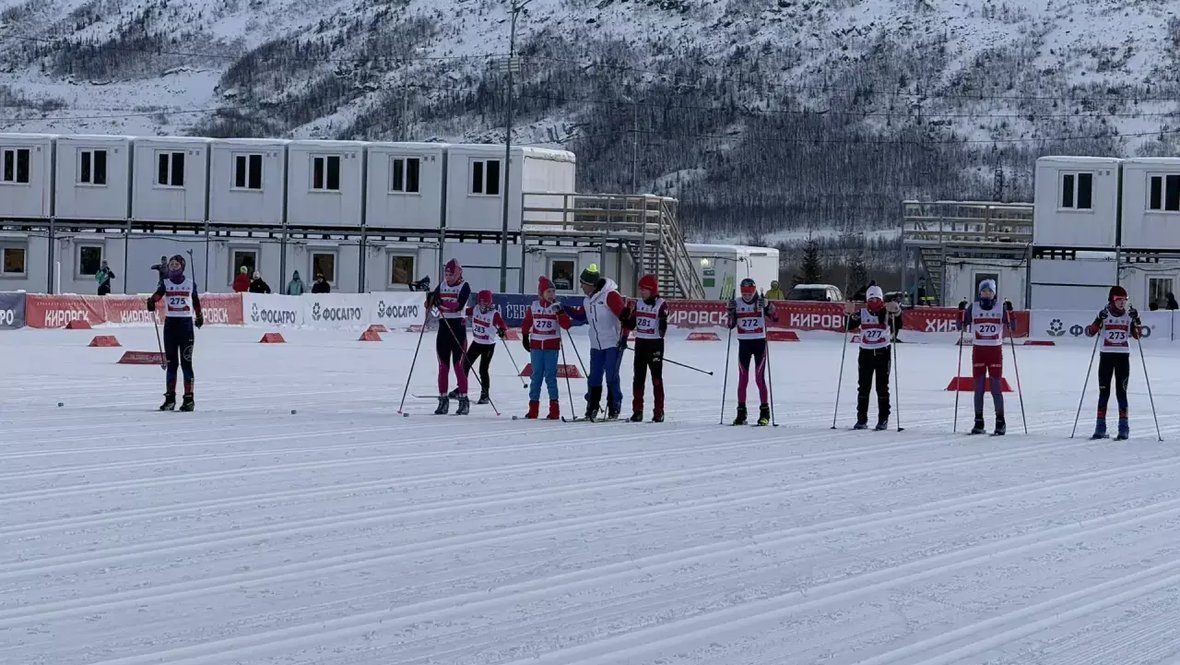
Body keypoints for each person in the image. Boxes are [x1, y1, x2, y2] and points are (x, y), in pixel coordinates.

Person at [563, 264, 629, 421]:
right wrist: (563, 308)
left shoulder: (610, 296)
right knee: (594, 377)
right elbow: (580, 316)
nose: (581, 286)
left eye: (583, 283)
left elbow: (624, 317)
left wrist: (624, 337)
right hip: (596, 345)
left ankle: (614, 407)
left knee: (611, 376)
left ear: (591, 284)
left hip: (613, 343)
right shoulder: (588, 300)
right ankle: (592, 407)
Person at [1084, 286, 1142, 440]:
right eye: (1119, 300)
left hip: (1123, 357)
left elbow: (1138, 336)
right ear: (1112, 300)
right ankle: (1100, 427)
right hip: (1106, 356)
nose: (1122, 303)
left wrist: (1137, 319)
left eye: (1125, 300)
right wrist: (1098, 319)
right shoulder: (1103, 314)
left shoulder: (1129, 316)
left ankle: (1124, 428)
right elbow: (1089, 332)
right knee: (1104, 392)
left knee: (1121, 392)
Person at [147, 255, 203, 411]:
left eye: (176, 264)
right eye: (171, 264)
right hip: (170, 325)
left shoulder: (190, 284)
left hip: (185, 326)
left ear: (182, 266)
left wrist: (199, 316)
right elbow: (157, 296)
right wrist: (151, 301)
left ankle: (189, 400)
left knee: (186, 363)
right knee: (172, 364)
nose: (173, 266)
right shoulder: (165, 283)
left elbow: (196, 301)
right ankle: (170, 398)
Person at [961, 279, 1016, 435]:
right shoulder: (974, 307)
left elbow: (1014, 327)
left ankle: (1000, 422)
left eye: (990, 291)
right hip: (978, 350)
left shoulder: (1000, 308)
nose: (987, 294)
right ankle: (978, 422)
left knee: (996, 388)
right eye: (984, 291)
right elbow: (961, 326)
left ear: (994, 293)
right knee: (978, 388)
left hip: (994, 352)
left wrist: (1010, 312)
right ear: (979, 293)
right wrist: (961, 312)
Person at [845, 285, 902, 430]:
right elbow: (848, 325)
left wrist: (897, 313)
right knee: (863, 387)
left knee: (882, 387)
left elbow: (897, 327)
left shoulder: (886, 312)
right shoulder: (862, 313)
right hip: (866, 353)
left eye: (876, 298)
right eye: (871, 299)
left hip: (883, 352)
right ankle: (861, 419)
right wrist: (848, 313)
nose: (874, 301)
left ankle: (883, 419)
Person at [726, 277, 777, 426]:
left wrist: (768, 307)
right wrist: (730, 312)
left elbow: (775, 318)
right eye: (744, 293)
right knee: (743, 379)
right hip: (744, 344)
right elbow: (730, 325)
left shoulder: (761, 301)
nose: (747, 296)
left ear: (754, 291)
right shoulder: (737, 303)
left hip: (759, 342)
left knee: (759, 378)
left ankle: (765, 412)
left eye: (750, 293)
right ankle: (741, 412)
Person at [521, 276, 572, 419]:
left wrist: (560, 313)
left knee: (550, 377)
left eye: (553, 292)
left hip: (551, 346)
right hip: (536, 346)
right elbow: (527, 322)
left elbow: (566, 325)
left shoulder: (557, 306)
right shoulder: (534, 306)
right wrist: (525, 336)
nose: (551, 295)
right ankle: (533, 409)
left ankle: (554, 410)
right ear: (541, 293)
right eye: (548, 291)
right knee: (536, 376)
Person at [426, 259, 471, 415]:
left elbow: (458, 305)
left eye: (451, 274)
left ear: (458, 273)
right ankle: (443, 400)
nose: (448, 277)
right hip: (444, 327)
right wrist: (430, 299)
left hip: (458, 327)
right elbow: (430, 304)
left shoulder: (464, 286)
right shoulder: (442, 285)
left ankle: (464, 400)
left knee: (458, 366)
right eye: (446, 273)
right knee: (442, 367)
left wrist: (442, 302)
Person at [622, 274, 668, 422]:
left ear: (652, 290)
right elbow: (630, 324)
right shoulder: (639, 304)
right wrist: (624, 317)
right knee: (638, 379)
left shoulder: (661, 304)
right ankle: (637, 411)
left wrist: (662, 321)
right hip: (640, 343)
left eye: (645, 290)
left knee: (656, 379)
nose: (642, 292)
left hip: (655, 345)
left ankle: (659, 411)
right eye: (640, 289)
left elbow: (662, 331)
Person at [449, 289, 508, 405]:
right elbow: (463, 311)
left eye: (485, 302)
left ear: (490, 302)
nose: (483, 305)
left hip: (488, 345)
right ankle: (460, 388)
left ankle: (485, 394)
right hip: (476, 342)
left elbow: (503, 324)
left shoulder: (494, 313)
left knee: (483, 369)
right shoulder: (475, 309)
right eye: (480, 302)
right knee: (464, 365)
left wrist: (502, 330)